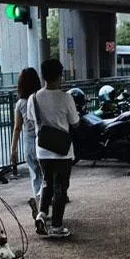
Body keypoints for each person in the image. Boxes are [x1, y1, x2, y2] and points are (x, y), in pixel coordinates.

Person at [27, 59, 80, 238]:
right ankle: (57, 226)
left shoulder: (33, 98)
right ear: (60, 76)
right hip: (62, 151)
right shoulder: (66, 98)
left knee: (47, 183)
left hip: (42, 149)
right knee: (60, 188)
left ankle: (42, 214)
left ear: (43, 76)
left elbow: (32, 121)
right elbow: (75, 122)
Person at [10, 68, 43, 221]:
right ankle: (43, 203)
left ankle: (38, 201)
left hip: (28, 143)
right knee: (47, 175)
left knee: (35, 175)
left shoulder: (20, 104)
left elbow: (17, 128)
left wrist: (13, 149)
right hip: (43, 141)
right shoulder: (39, 99)